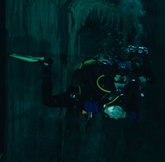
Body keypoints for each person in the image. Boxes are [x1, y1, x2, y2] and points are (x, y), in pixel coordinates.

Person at [17, 47, 153, 120]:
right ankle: (47, 66)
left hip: (95, 106)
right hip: (80, 96)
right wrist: (103, 109)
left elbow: (135, 113)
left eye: (124, 79)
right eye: (118, 78)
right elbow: (84, 103)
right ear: (112, 76)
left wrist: (124, 114)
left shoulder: (127, 91)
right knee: (48, 101)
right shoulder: (100, 82)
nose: (121, 83)